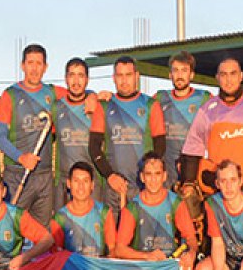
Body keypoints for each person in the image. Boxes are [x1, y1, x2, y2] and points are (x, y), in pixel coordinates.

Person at [89, 56, 166, 216]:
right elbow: (94, 147)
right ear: (114, 78)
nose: (124, 80)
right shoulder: (103, 106)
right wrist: (110, 176)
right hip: (114, 186)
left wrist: (148, 177)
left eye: (128, 75)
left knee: (141, 236)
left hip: (142, 186)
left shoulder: (150, 105)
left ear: (137, 76)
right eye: (120, 75)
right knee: (114, 238)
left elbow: (160, 146)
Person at [179, 58, 243, 197]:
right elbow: (193, 148)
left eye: (233, 74)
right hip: (220, 189)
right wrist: (189, 182)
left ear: (241, 76)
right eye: (223, 75)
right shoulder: (207, 110)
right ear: (217, 78)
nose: (228, 80)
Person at [115, 153, 199, 270]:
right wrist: (146, 256)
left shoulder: (175, 203)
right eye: (149, 174)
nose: (153, 180)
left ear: (164, 176)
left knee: (187, 267)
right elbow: (119, 249)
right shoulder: (133, 207)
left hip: (169, 264)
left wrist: (190, 253)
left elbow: (191, 238)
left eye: (157, 174)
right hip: (144, 266)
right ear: (142, 177)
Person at [0, 44, 62, 224]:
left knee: (42, 236)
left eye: (39, 63)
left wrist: (94, 96)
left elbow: (78, 94)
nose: (34, 68)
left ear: (45, 67)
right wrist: (20, 157)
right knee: (13, 229)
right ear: (22, 65)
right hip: (17, 174)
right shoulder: (10, 95)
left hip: (44, 176)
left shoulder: (53, 93)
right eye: (30, 63)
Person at [153, 51, 211, 190]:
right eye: (176, 70)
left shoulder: (204, 98)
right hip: (167, 174)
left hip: (194, 173)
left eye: (184, 70)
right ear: (170, 75)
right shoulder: (159, 98)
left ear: (191, 75)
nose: (179, 75)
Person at [53, 58, 102, 211]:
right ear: (66, 79)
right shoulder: (56, 107)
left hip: (92, 181)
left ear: (87, 79)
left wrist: (95, 95)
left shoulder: (98, 106)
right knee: (64, 231)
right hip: (64, 182)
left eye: (80, 75)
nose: (76, 81)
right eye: (72, 75)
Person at [50, 161, 117, 257]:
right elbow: (56, 255)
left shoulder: (104, 212)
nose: (81, 186)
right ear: (69, 184)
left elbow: (113, 250)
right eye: (76, 181)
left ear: (92, 185)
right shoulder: (60, 218)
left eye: (85, 181)